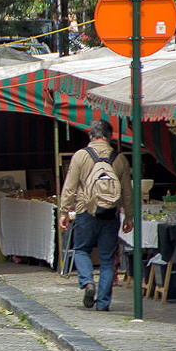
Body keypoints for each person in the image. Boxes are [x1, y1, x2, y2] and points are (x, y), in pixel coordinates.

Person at [58, 119, 133, 312]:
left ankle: (88, 283)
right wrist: (129, 216)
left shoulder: (80, 156)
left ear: (91, 135)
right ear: (110, 136)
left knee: (82, 250)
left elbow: (70, 186)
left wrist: (64, 211)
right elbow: (127, 191)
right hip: (111, 213)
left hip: (85, 210)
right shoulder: (120, 158)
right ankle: (103, 303)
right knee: (107, 259)